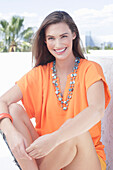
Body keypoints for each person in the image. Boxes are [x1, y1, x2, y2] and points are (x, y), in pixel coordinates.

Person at [0, 11, 111, 170]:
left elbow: (97, 110)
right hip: (49, 159)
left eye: (63, 36)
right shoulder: (39, 74)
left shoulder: (90, 69)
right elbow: (2, 101)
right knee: (13, 110)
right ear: (45, 41)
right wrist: (10, 133)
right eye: (51, 38)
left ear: (73, 35)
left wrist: (54, 139)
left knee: (76, 131)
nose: (58, 45)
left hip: (84, 159)